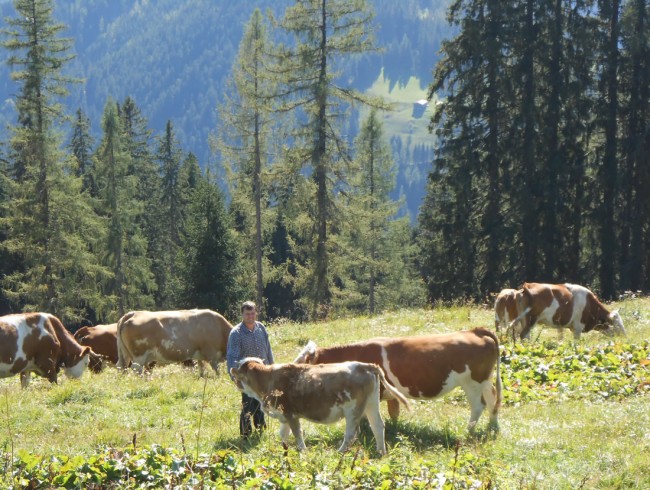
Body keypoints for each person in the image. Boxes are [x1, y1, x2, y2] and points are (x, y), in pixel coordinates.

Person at [226, 301, 274, 439]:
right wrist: (235, 377)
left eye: (252, 313)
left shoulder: (261, 328)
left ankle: (260, 429)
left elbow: (268, 350)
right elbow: (232, 356)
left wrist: (271, 368)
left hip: (263, 374)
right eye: (247, 314)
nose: (250, 316)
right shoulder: (236, 333)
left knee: (262, 401)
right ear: (242, 314)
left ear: (256, 313)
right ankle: (245, 434)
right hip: (247, 377)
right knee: (247, 405)